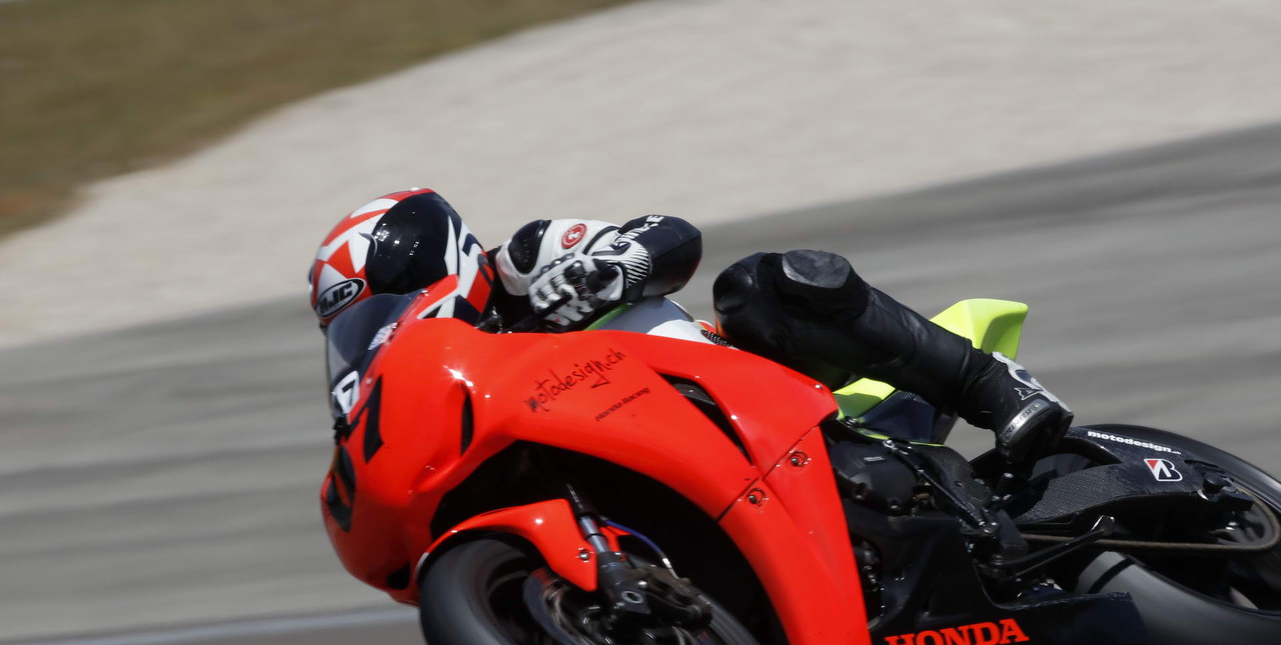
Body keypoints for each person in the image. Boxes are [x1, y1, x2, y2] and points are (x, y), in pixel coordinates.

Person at [309, 189, 1070, 463]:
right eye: (356, 330)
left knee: (758, 287)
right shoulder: (446, 393)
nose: (377, 335)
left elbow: (672, 234)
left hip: (753, 397)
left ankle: (993, 385)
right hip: (654, 463)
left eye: (378, 311)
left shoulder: (526, 262)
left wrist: (615, 268)